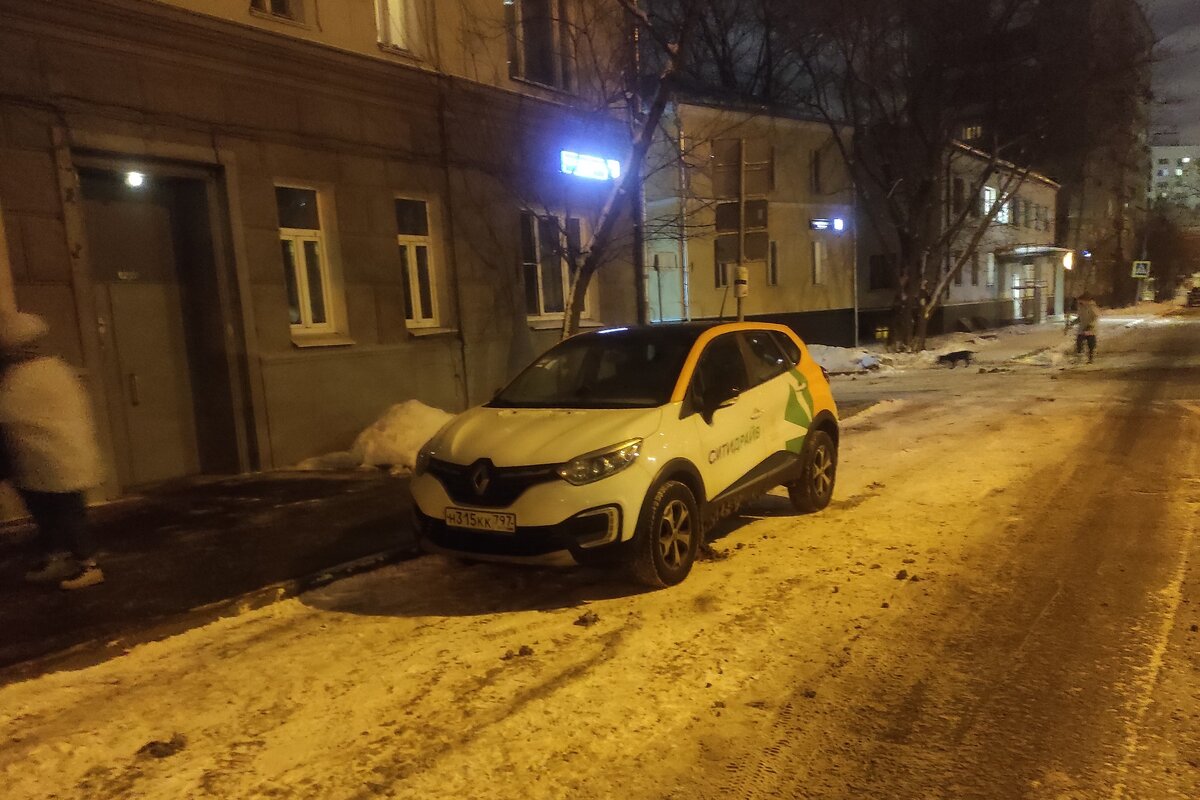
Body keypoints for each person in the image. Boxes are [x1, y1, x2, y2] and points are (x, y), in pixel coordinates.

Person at [0, 312, 105, 589]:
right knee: (50, 512)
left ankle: (88, 565)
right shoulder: (52, 369)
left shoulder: (31, 375)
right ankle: (57, 557)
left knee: (68, 513)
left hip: (55, 459)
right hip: (47, 459)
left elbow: (12, 411)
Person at [1073, 292, 1100, 363]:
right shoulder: (1081, 307)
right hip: (1082, 328)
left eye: (1081, 300)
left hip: (1090, 329)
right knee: (1079, 342)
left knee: (1091, 344)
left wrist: (1091, 325)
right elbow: (1080, 318)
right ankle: (1079, 358)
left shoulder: (1092, 307)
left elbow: (1095, 317)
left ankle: (1091, 358)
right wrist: (1072, 323)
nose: (1079, 302)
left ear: (1085, 300)